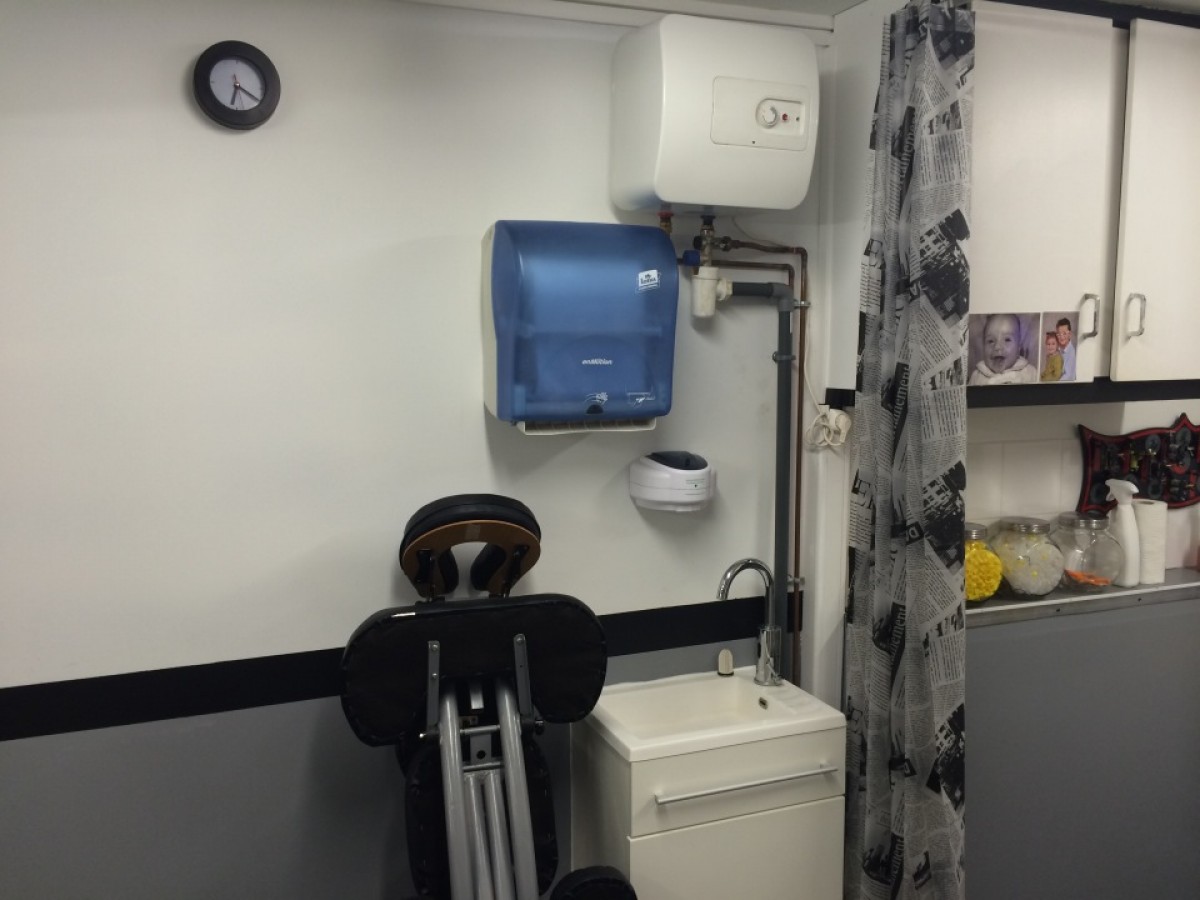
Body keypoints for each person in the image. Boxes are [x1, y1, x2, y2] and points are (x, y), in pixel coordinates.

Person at [969, 313, 1038, 385]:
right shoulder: (976, 376)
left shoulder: (1029, 373)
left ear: (1018, 347)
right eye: (990, 341)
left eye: (1007, 340)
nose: (997, 346)